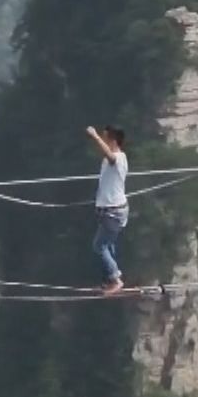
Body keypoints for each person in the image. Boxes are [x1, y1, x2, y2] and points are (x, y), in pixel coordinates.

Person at [85, 125, 129, 295]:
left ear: (112, 140)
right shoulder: (116, 158)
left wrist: (95, 136)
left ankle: (116, 280)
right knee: (108, 244)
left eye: (105, 138)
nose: (102, 141)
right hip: (111, 211)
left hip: (113, 212)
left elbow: (110, 157)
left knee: (99, 246)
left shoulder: (117, 158)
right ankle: (107, 281)